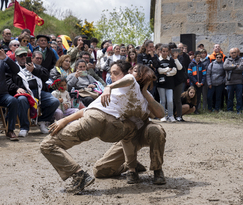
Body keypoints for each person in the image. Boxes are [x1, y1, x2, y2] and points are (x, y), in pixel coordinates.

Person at [40, 62, 159, 193]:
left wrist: (108, 87)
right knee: (129, 130)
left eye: (116, 73)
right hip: (114, 128)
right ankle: (132, 167)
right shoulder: (137, 98)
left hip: (96, 120)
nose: (112, 76)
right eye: (111, 73)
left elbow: (93, 110)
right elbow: (156, 114)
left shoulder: (127, 82)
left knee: (47, 145)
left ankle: (78, 175)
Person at [28, 51, 60, 132]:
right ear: (32, 58)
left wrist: (34, 70)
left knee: (55, 101)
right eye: (37, 58)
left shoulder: (42, 68)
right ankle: (24, 127)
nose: (39, 60)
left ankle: (42, 121)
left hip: (40, 92)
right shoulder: (24, 66)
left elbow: (45, 77)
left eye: (40, 58)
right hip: (27, 92)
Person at [157, 44, 177, 122]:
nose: (165, 53)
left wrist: (166, 73)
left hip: (170, 83)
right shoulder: (158, 60)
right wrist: (168, 69)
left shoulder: (171, 60)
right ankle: (162, 115)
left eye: (166, 51)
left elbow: (174, 71)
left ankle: (170, 115)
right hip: (161, 83)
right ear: (160, 51)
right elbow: (159, 70)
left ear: (168, 52)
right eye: (163, 51)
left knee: (170, 101)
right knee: (163, 100)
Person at [223, 48, 243, 113]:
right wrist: (235, 66)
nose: (233, 54)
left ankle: (239, 110)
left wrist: (231, 69)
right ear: (230, 54)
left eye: (234, 52)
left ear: (237, 53)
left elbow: (241, 68)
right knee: (229, 97)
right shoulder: (227, 60)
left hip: (239, 82)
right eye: (232, 53)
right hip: (229, 82)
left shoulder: (241, 60)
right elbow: (225, 67)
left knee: (239, 97)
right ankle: (230, 110)